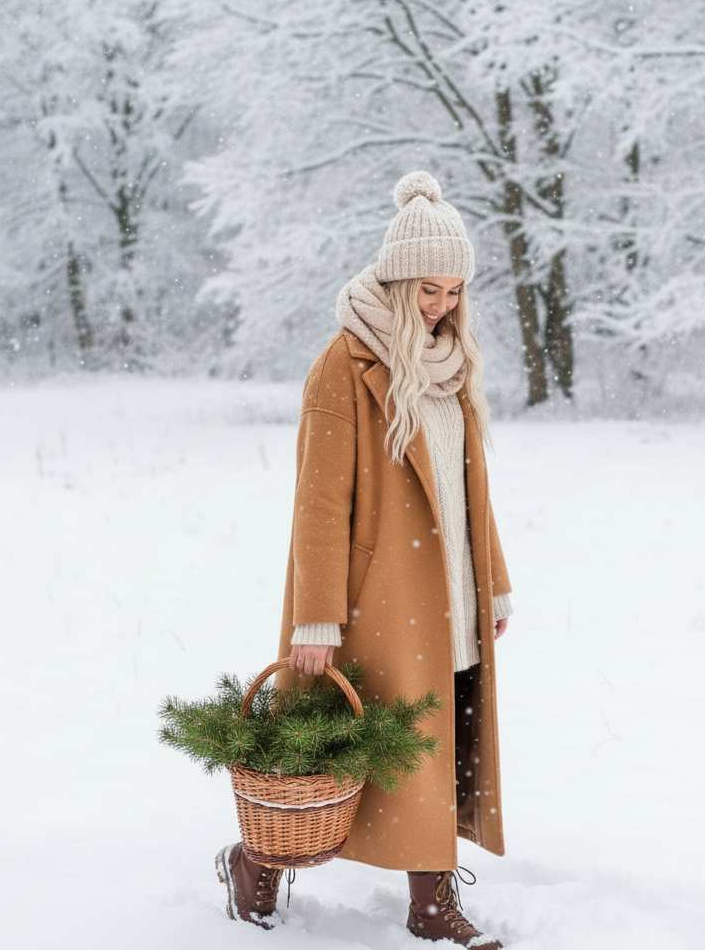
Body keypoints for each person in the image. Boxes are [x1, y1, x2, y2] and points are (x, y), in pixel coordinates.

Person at [216, 171, 513, 948]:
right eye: (428, 290)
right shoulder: (344, 365)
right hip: (374, 596)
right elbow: (318, 503)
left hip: (447, 590)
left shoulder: (452, 365)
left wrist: (495, 586)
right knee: (331, 755)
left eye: (453, 291)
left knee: (434, 741)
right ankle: (256, 864)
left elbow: (469, 487)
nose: (441, 306)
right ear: (398, 280)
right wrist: (315, 617)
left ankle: (430, 904)